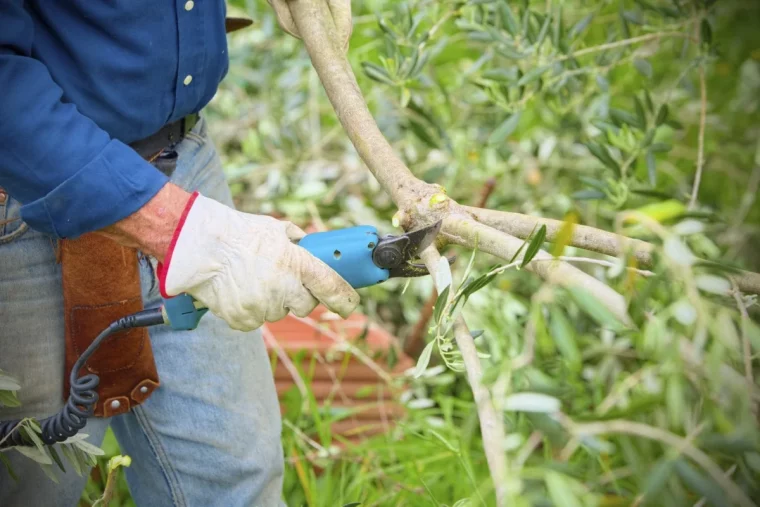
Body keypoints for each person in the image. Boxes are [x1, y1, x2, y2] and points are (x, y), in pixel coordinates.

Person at [0, 1, 355, 505]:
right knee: (28, 487)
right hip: (21, 191)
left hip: (182, 154)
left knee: (237, 482)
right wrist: (183, 232)